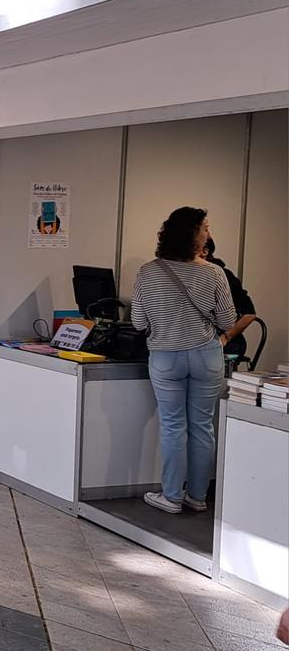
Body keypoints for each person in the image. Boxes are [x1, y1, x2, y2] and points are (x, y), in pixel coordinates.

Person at [132, 207, 236, 515]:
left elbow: (138, 322)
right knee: (203, 427)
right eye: (204, 228)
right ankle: (198, 496)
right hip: (206, 355)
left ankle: (172, 496)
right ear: (191, 234)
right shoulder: (214, 272)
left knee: (173, 426)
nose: (208, 233)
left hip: (165, 357)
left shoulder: (148, 272)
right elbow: (229, 319)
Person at [202, 237, 258, 360]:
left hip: (226, 340)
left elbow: (249, 314)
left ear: (204, 252)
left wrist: (226, 337)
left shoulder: (223, 275)